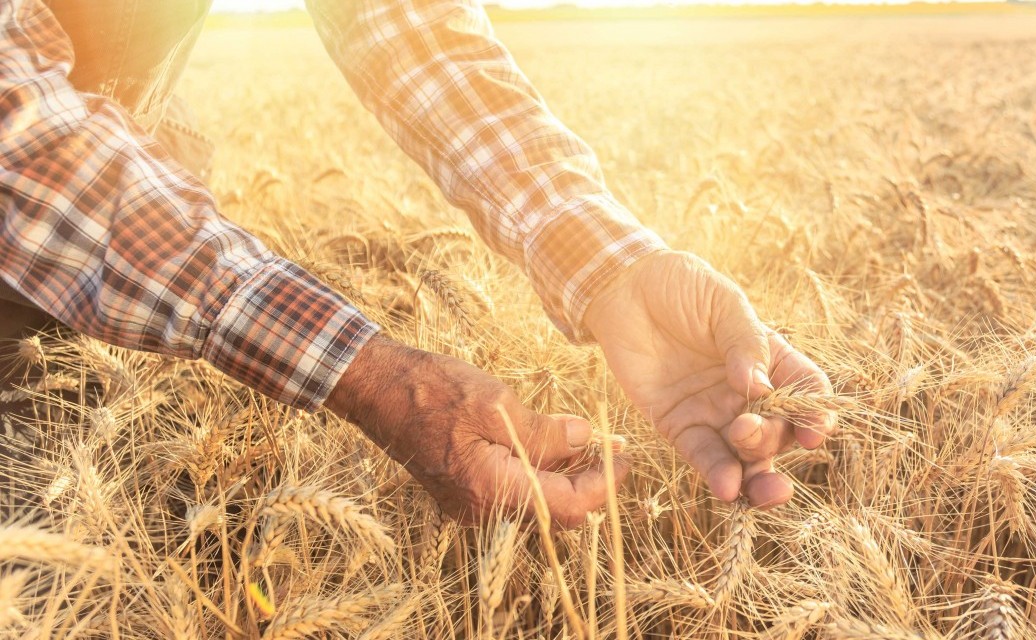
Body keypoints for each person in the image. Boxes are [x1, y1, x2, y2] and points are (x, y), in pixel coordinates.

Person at [0, 0, 834, 529]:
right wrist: (374, 377)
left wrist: (609, 262)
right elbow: (17, 129)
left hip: (106, 172)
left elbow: (404, 19)